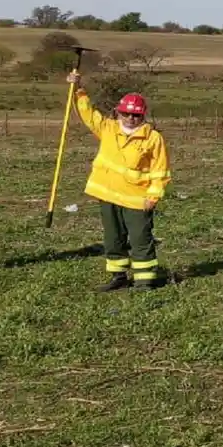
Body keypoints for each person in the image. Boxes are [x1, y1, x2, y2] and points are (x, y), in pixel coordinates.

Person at [69, 72, 170, 291]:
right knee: (113, 238)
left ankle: (144, 280)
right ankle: (118, 276)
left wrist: (153, 197)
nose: (130, 119)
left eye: (135, 115)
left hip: (137, 200)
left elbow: (160, 171)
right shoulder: (108, 128)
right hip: (108, 195)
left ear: (143, 116)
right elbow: (88, 114)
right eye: (126, 114)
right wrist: (78, 90)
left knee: (140, 238)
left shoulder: (153, 138)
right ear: (119, 112)